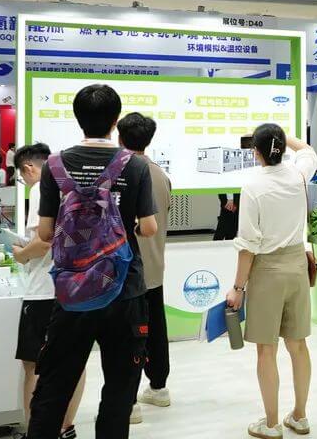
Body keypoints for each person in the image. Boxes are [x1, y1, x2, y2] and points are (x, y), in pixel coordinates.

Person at [27, 84, 158, 439]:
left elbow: (44, 232)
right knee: (119, 389)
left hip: (73, 292)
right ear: (115, 122)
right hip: (124, 289)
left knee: (54, 385)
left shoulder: (54, 165)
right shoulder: (135, 165)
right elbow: (149, 227)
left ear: (78, 119)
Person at [224, 126, 317, 439]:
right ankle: (300, 416)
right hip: (297, 266)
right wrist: (282, 135)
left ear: (256, 152)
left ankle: (272, 423)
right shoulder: (298, 175)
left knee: (267, 350)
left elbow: (248, 245)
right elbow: (308, 151)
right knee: (298, 345)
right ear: (282, 149)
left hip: (267, 271)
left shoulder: (253, 186)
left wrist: (238, 288)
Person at [11, 143, 85, 439]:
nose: (24, 181)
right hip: (78, 287)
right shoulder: (75, 186)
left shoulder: (41, 188)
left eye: (22, 176)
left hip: (44, 288)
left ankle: (36, 431)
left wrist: (21, 254)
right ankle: (66, 427)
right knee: (74, 362)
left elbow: (43, 241)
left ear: (29, 167)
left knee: (34, 364)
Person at [117, 112, 174, 417]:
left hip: (127, 270)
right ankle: (159, 388)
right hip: (155, 266)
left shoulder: (120, 173)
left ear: (120, 138)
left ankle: (129, 403)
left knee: (128, 335)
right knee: (155, 330)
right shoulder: (160, 174)